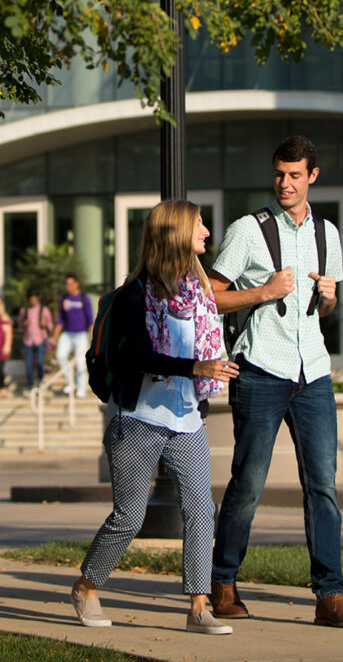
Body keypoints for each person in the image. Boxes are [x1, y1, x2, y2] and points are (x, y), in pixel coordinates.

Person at [208, 134, 343, 628]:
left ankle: (330, 596)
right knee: (249, 483)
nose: (285, 183)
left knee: (323, 486)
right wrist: (262, 291)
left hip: (313, 371)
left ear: (312, 176)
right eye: (279, 174)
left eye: (295, 175)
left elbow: (327, 308)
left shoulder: (328, 234)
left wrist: (329, 295)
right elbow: (211, 297)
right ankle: (224, 581)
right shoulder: (248, 230)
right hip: (261, 370)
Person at [72, 199, 240, 635]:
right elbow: (133, 355)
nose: (206, 231)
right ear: (176, 233)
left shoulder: (198, 294)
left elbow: (205, 342)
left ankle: (199, 606)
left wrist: (208, 371)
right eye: (199, 224)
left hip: (186, 420)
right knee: (129, 516)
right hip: (137, 418)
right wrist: (195, 368)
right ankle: (87, 586)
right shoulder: (134, 295)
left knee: (201, 510)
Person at [51, 273, 94, 398]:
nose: (68, 287)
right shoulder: (64, 299)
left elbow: (90, 319)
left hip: (81, 334)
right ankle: (70, 382)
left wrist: (92, 337)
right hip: (67, 333)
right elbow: (60, 320)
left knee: (80, 362)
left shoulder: (84, 298)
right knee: (60, 355)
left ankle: (81, 388)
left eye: (70, 284)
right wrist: (54, 337)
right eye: (66, 284)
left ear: (76, 284)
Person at [17, 291, 54, 392]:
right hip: (28, 340)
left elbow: (50, 324)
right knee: (28, 364)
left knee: (39, 362)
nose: (32, 301)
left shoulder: (44, 310)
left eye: (34, 298)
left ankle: (40, 380)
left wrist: (45, 325)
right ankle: (30, 385)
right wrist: (23, 325)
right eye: (30, 299)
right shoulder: (24, 310)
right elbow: (19, 326)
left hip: (40, 339)